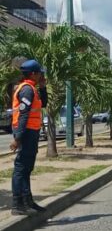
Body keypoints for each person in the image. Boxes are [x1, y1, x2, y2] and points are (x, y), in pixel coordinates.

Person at [9, 60, 48, 216]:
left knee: (27, 167)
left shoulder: (33, 88)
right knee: (21, 168)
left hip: (31, 132)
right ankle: (17, 204)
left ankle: (28, 201)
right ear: (33, 73)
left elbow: (43, 104)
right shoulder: (26, 90)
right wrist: (17, 138)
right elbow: (24, 114)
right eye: (39, 73)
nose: (41, 75)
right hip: (25, 132)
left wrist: (43, 88)